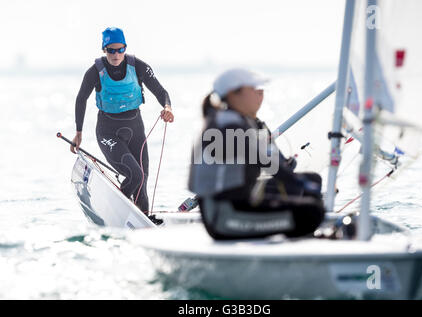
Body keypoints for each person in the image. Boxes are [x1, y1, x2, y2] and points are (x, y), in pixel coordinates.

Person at [188, 68, 325, 240]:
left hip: (237, 203)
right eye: (254, 90)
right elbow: (268, 163)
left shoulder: (236, 120)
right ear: (233, 94)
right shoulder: (227, 124)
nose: (260, 95)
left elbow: (269, 163)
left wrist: (300, 181)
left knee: (311, 192)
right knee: (312, 212)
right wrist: (301, 184)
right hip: (223, 219)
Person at [71, 27, 174, 224]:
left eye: (120, 49)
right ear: (104, 50)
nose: (116, 54)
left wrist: (167, 107)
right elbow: (81, 99)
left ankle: (143, 221)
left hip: (135, 128)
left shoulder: (139, 67)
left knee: (142, 178)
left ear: (125, 48)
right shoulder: (95, 72)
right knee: (134, 175)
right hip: (107, 131)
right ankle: (117, 211)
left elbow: (161, 91)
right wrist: (78, 133)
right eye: (111, 50)